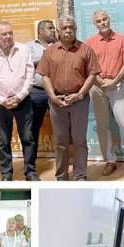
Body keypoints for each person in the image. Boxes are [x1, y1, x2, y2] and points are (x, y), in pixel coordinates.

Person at [37, 15, 101, 181]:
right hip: (57, 101)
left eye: (71, 27)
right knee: (60, 142)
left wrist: (79, 94)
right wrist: (52, 95)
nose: (68, 30)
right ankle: (61, 176)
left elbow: (93, 74)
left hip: (79, 101)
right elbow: (44, 75)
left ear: (75, 29)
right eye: (64, 28)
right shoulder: (50, 51)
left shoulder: (85, 49)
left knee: (80, 141)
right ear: (58, 31)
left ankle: (80, 175)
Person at [86, 10, 124, 177]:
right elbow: (88, 67)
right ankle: (110, 160)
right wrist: (99, 81)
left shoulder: (122, 40)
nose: (102, 23)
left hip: (116, 85)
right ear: (95, 24)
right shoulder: (90, 43)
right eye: (99, 21)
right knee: (102, 126)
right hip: (97, 86)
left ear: (109, 20)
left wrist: (115, 80)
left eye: (105, 19)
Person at [0, 21, 36, 181]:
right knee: (3, 141)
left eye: (10, 33)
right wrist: (1, 100)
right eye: (4, 34)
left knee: (27, 138)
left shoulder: (24, 49)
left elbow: (29, 74)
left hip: (23, 100)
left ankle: (30, 172)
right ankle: (6, 174)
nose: (8, 37)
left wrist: (20, 96)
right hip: (1, 103)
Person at [26, 20, 57, 181]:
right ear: (40, 31)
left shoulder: (60, 45)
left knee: (62, 130)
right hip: (36, 93)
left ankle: (62, 168)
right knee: (32, 131)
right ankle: (30, 170)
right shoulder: (28, 47)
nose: (53, 30)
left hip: (58, 92)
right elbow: (26, 64)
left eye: (53, 28)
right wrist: (46, 58)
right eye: (50, 28)